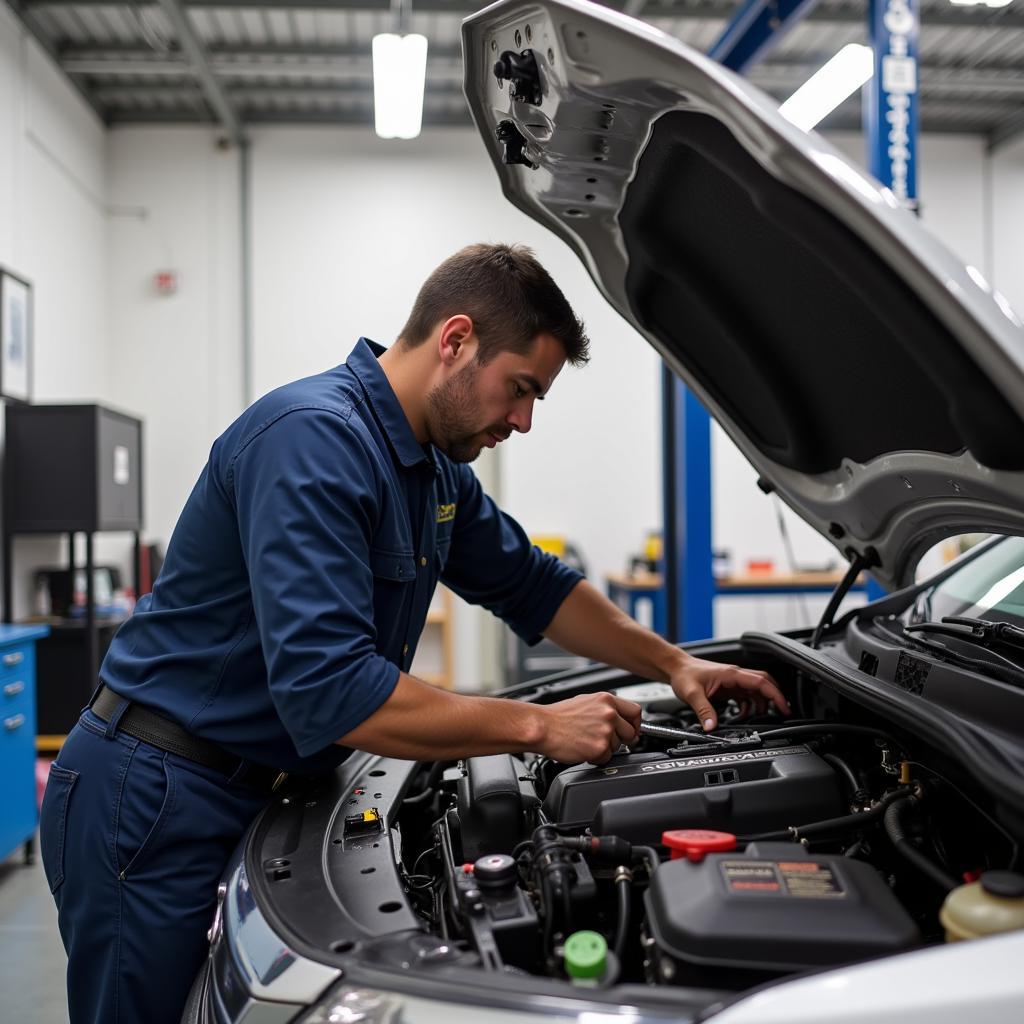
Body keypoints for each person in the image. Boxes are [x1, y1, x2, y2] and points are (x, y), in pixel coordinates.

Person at [40, 243, 788, 1024]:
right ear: (456, 340)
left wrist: (676, 665)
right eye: (521, 389)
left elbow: (535, 586)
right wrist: (540, 726)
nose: (525, 422)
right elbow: (332, 692)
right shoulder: (312, 441)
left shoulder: (431, 470)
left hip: (248, 785)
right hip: (155, 796)